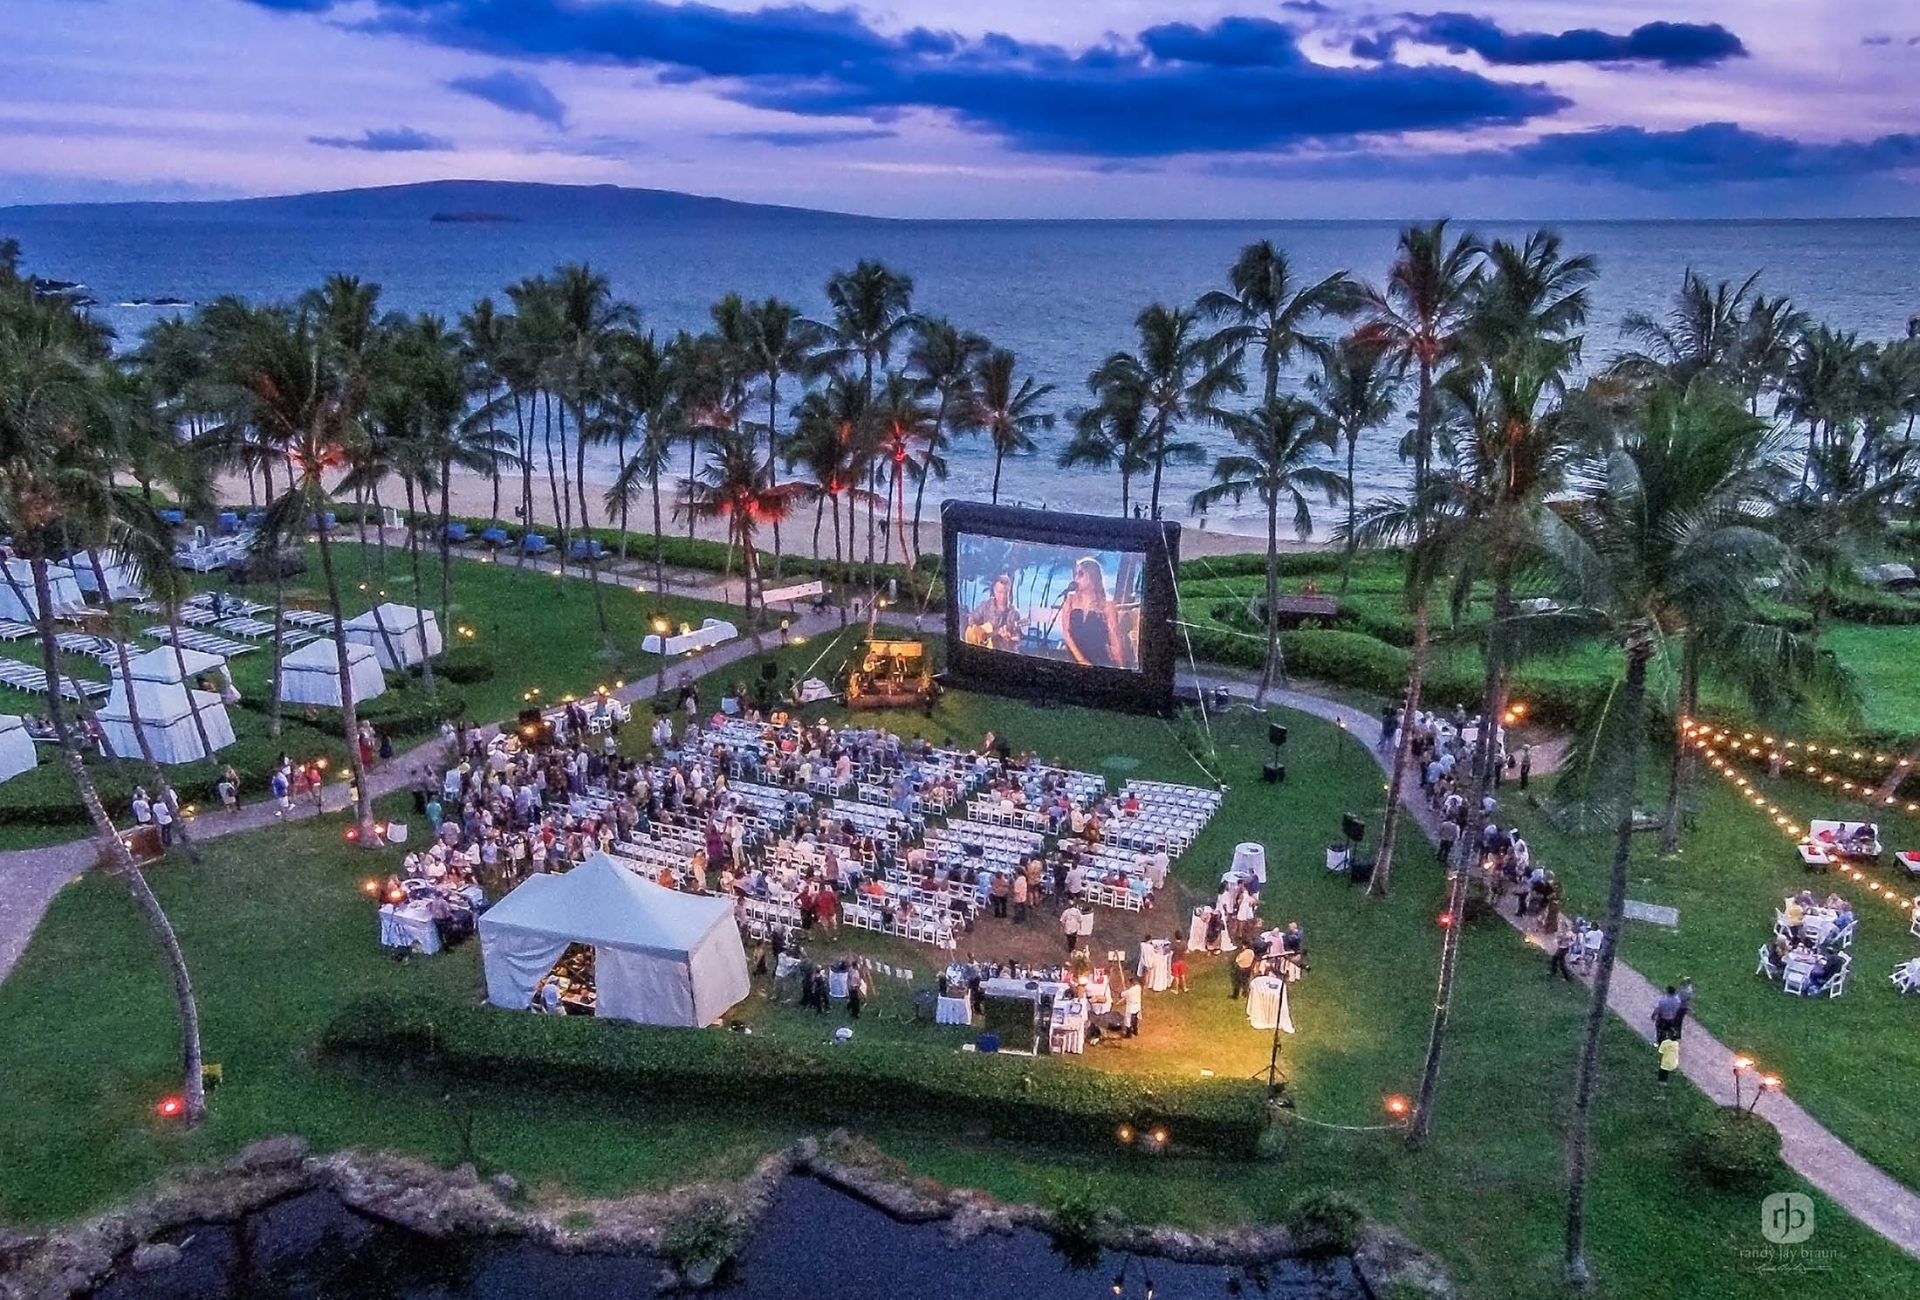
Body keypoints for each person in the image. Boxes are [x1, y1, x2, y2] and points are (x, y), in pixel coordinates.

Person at [1057, 557, 1125, 668]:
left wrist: (1121, 668)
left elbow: (1114, 639)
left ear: (1092, 577)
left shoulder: (1107, 606)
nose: (1076, 578)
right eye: (1075, 574)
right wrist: (1081, 660)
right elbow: (1066, 633)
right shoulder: (1070, 600)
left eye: (1080, 574)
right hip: (1074, 659)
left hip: (1098, 661)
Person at [966, 572, 1023, 652]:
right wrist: (977, 628)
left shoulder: (1014, 613)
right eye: (1000, 592)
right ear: (994, 591)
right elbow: (971, 617)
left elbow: (1018, 638)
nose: (1003, 596)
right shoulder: (986, 605)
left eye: (1005, 592)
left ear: (1010, 592)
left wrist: (1009, 639)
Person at [1547, 915, 1575, 982]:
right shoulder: (1562, 933)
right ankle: (1554, 972)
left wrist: (1565, 940)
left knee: (1560, 962)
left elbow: (1572, 940)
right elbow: (1559, 940)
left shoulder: (1568, 933)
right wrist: (1559, 939)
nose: (1561, 927)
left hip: (1564, 949)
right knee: (1555, 959)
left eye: (1562, 925)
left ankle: (1567, 977)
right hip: (1561, 948)